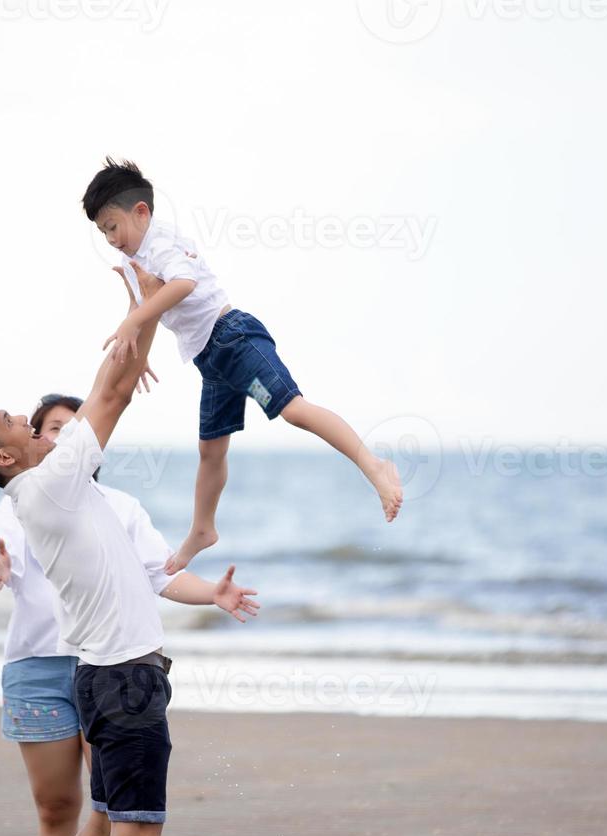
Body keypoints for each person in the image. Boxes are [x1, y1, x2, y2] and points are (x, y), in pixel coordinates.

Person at [0, 263, 260, 836]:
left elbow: (118, 388)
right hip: (122, 679)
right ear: (2, 454)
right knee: (138, 834)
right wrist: (143, 310)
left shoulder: (59, 489)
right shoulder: (48, 485)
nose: (23, 417)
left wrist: (141, 320)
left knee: (108, 823)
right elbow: (112, 392)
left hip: (105, 675)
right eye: (12, 420)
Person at [82, 157, 404, 574]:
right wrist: (137, 347)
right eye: (102, 232)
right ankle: (203, 529)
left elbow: (183, 285)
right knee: (210, 450)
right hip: (209, 361)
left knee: (293, 410)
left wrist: (135, 320)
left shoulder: (162, 243)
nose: (110, 239)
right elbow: (141, 308)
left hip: (233, 339)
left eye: (112, 226)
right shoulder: (132, 261)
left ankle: (374, 466)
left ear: (140, 212)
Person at [0, 392, 174, 836]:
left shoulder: (107, 502)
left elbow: (160, 573)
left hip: (98, 666)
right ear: (23, 447)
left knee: (109, 819)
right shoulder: (41, 493)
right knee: (129, 825)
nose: (63, 437)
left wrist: (211, 588)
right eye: (49, 428)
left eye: (72, 428)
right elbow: (113, 390)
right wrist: (142, 320)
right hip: (100, 668)